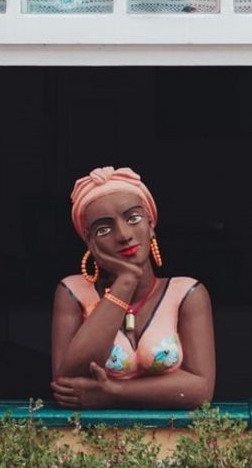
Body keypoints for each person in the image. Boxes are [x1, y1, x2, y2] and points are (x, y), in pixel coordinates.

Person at [50, 166, 215, 409]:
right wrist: (126, 280)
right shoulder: (73, 292)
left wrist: (112, 392)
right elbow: (68, 383)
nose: (124, 235)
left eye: (133, 218)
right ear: (89, 241)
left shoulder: (186, 293)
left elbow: (200, 389)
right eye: (104, 229)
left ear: (151, 224)